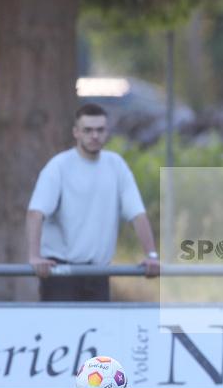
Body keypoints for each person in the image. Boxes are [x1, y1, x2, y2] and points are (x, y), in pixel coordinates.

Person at [26, 103, 160, 301]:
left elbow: (137, 214)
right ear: (76, 133)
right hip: (61, 272)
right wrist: (34, 257)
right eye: (88, 130)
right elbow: (35, 213)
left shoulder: (116, 166)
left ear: (107, 132)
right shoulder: (59, 166)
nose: (94, 136)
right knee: (61, 330)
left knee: (99, 331)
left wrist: (151, 255)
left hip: (98, 273)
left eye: (100, 130)